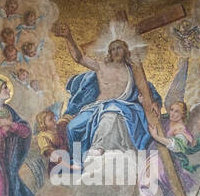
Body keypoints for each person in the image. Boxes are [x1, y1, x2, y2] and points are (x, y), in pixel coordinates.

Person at [53, 22, 159, 155]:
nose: (116, 51)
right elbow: (79, 58)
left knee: (110, 115)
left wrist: (154, 101)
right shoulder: (101, 66)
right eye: (113, 49)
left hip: (120, 107)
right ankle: (77, 161)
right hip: (98, 107)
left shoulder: (133, 71)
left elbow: (146, 88)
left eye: (119, 48)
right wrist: (68, 37)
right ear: (109, 52)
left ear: (126, 50)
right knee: (72, 127)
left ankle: (99, 147)